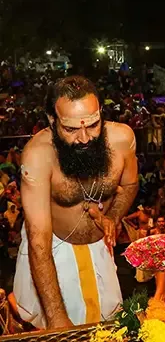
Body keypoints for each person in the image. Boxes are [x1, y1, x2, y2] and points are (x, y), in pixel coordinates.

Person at [13, 76, 139, 329]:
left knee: (109, 328)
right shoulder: (38, 154)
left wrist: (112, 218)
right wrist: (56, 316)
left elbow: (129, 185)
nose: (84, 138)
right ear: (52, 120)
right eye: (71, 129)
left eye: (93, 125)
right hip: (53, 253)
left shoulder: (122, 138)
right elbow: (39, 241)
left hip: (100, 249)